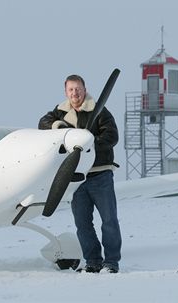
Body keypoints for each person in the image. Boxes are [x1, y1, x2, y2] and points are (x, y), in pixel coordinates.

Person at [38, 74, 122, 273]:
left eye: (78, 89)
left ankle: (111, 263)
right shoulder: (60, 112)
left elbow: (112, 136)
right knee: (83, 224)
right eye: (70, 90)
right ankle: (92, 261)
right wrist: (58, 126)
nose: (74, 93)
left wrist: (89, 144)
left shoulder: (100, 111)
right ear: (66, 92)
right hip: (76, 178)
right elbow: (43, 123)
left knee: (109, 221)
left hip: (100, 174)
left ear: (85, 89)